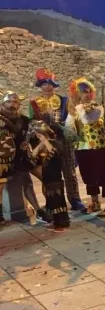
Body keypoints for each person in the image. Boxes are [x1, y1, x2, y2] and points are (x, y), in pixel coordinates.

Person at [29, 68, 85, 212]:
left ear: (54, 85)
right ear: (40, 86)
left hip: (64, 140)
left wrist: (60, 127)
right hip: (45, 143)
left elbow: (71, 119)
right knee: (49, 174)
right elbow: (31, 122)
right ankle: (52, 202)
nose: (47, 87)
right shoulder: (34, 103)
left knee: (69, 172)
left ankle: (75, 200)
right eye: (44, 84)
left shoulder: (65, 101)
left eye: (50, 84)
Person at [66, 78, 105, 215]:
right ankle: (95, 203)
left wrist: (78, 108)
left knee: (103, 174)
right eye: (83, 92)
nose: (87, 94)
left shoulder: (97, 107)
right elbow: (68, 128)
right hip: (82, 148)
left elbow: (87, 120)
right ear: (77, 94)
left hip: (97, 147)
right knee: (88, 176)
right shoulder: (75, 110)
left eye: (89, 91)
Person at [0, 92, 48, 222]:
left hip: (24, 156)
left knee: (46, 178)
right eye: (9, 102)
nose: (12, 105)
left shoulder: (25, 120)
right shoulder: (1, 120)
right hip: (6, 160)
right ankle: (1, 214)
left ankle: (47, 207)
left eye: (15, 102)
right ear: (3, 104)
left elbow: (33, 137)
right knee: (10, 185)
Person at [28, 121, 71, 232]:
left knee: (58, 201)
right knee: (51, 202)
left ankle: (63, 223)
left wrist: (45, 141)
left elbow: (55, 153)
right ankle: (56, 222)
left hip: (55, 178)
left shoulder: (55, 143)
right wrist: (40, 144)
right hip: (47, 179)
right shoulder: (42, 145)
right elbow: (32, 156)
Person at [0, 114, 16, 225]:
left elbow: (12, 131)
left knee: (0, 190)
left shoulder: (3, 119)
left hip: (2, 162)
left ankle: (0, 216)